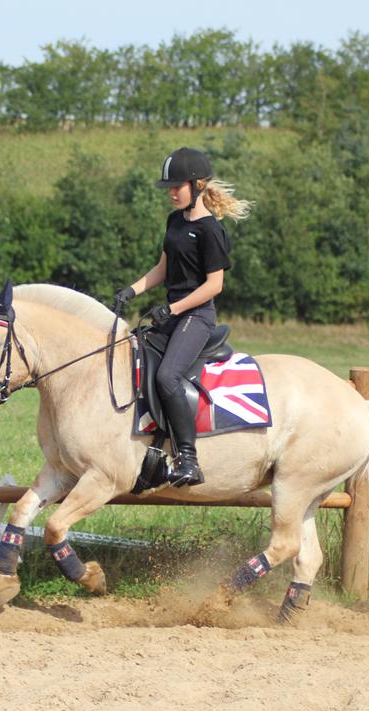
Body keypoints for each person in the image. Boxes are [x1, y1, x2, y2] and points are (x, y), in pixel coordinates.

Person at [113, 147, 253, 487]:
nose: (172, 192)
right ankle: (150, 452)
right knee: (134, 361)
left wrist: (172, 308)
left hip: (197, 317)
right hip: (173, 315)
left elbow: (215, 285)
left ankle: (188, 459)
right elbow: (163, 269)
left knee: (167, 377)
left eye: (178, 186)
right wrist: (130, 291)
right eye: (169, 187)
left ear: (198, 184)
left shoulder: (210, 231)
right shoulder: (175, 221)